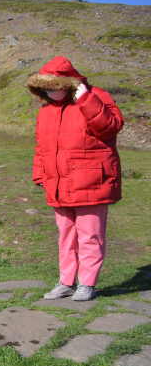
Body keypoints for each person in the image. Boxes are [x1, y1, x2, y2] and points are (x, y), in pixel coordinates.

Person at [26, 55, 124, 301]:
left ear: (70, 83)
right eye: (47, 87)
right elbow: (42, 147)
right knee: (66, 236)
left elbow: (111, 126)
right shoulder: (46, 111)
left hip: (92, 181)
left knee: (90, 235)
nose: (52, 91)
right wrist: (40, 174)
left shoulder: (96, 96)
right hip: (58, 182)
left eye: (56, 86)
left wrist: (86, 100)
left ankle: (87, 284)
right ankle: (66, 282)